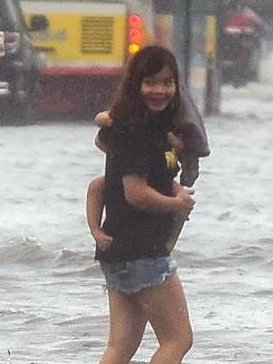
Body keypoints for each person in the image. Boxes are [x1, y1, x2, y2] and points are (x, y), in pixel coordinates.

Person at [90, 45, 196, 364]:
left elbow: (118, 158)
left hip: (118, 252)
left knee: (120, 346)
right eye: (150, 82)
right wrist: (177, 203)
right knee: (178, 339)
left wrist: (171, 183)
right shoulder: (138, 132)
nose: (160, 90)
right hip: (143, 251)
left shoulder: (137, 130)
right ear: (135, 84)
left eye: (167, 82)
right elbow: (135, 193)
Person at [86, 89, 209, 252]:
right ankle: (96, 230)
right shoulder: (135, 128)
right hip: (138, 174)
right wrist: (116, 125)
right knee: (97, 185)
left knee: (184, 200)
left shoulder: (175, 132)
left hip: (163, 176)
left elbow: (189, 154)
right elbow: (100, 131)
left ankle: (169, 244)